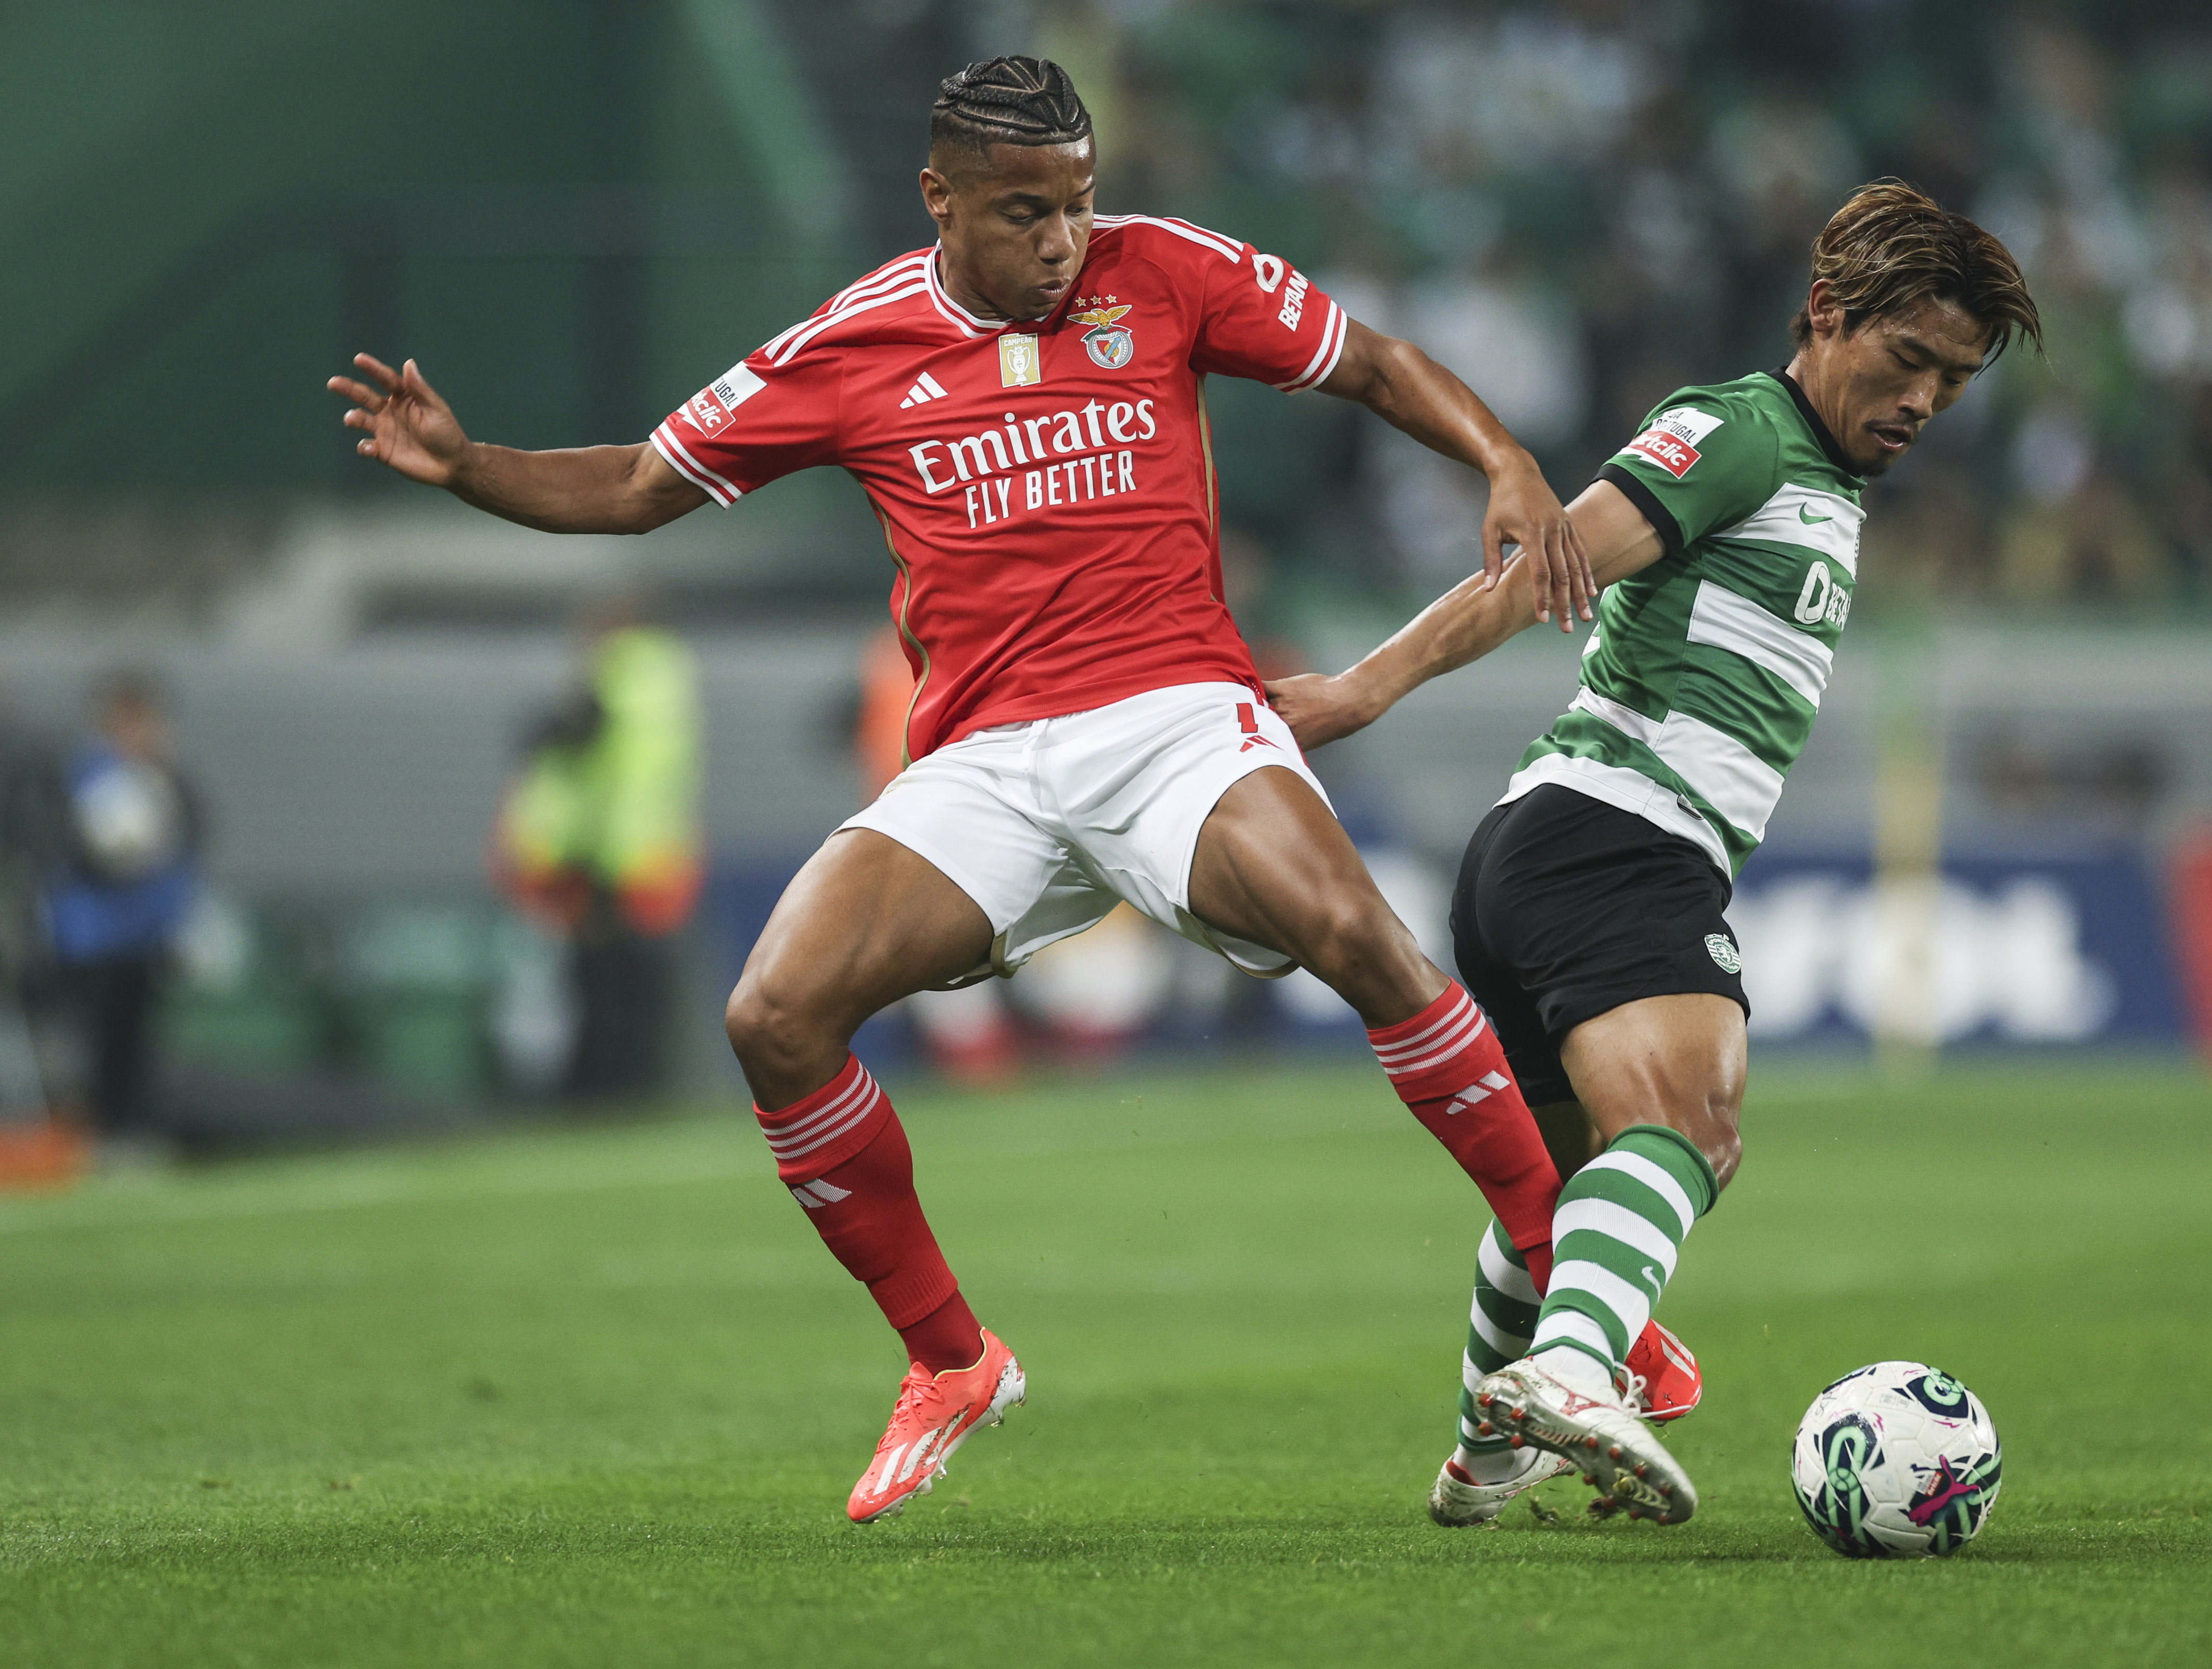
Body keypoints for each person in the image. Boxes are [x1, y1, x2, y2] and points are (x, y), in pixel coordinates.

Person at [330, 56, 1595, 1525]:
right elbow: (635, 485)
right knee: (773, 1015)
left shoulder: (1164, 273)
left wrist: (1504, 456)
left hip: (1176, 708)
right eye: (1022, 212)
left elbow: (1369, 359)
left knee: (1359, 931)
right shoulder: (856, 342)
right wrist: (469, 461)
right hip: (986, 759)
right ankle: (950, 1358)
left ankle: (1578, 1297)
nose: (1062, 240)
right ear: (940, 196)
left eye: (1076, 203)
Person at [1273, 180, 2041, 1526]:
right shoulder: (1742, 431)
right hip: (1615, 836)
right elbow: (1544, 565)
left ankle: (1486, 1448)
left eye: (1954, 382)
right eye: (1907, 359)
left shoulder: (1820, 476)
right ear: (1825, 317)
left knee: (1573, 1191)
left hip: (1555, 848)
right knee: (1694, 1119)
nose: (1925, 401)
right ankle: (1573, 1370)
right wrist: (1360, 690)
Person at [494, 598, 706, 1099]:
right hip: (653, 852)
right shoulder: (670, 677)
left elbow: (578, 741)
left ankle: (595, 1094)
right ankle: (633, 1088)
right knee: (634, 990)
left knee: (598, 990)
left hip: (605, 857)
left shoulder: (623, 673)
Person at [35, 674, 204, 1150]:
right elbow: (76, 848)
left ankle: (133, 1131)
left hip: (146, 933)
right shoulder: (82, 776)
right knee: (97, 1040)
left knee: (139, 1039)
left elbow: (191, 839)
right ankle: (94, 1133)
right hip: (96, 936)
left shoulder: (166, 777)